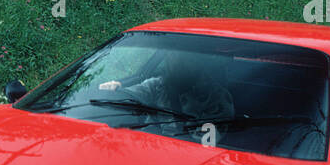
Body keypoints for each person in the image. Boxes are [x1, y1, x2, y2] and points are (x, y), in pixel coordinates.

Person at [98, 51, 234, 137]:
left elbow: (206, 142)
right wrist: (116, 89)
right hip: (145, 147)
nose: (176, 63)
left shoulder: (216, 96)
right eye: (172, 57)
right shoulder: (157, 85)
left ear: (197, 63)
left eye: (184, 59)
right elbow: (130, 96)